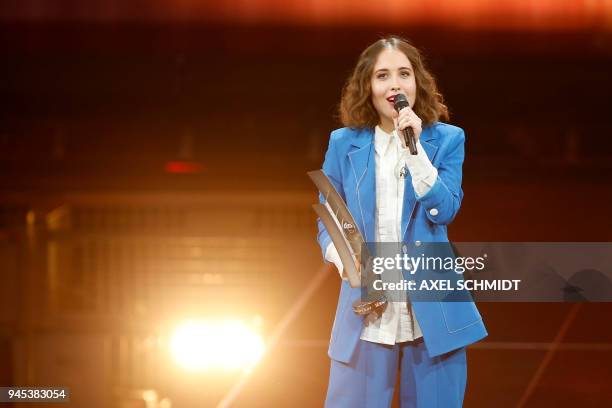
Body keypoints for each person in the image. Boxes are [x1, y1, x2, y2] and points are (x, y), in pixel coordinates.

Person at [316, 36, 487, 407]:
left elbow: (445, 209)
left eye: (404, 73)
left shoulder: (447, 139)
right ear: (369, 87)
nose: (394, 84)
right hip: (366, 311)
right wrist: (342, 259)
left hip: (433, 315)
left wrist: (416, 149)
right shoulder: (344, 143)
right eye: (382, 75)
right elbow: (327, 216)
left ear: (416, 84)